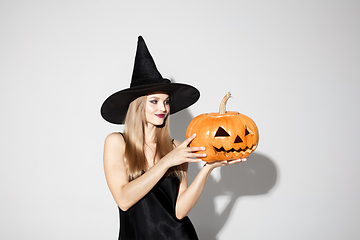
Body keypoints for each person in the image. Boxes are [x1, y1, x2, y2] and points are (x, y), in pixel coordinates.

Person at [101, 36, 247, 240]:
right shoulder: (117, 142)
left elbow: (179, 211)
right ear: (137, 105)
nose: (163, 108)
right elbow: (124, 199)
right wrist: (167, 161)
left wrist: (208, 169)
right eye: (154, 101)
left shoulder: (177, 147)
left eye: (166, 102)